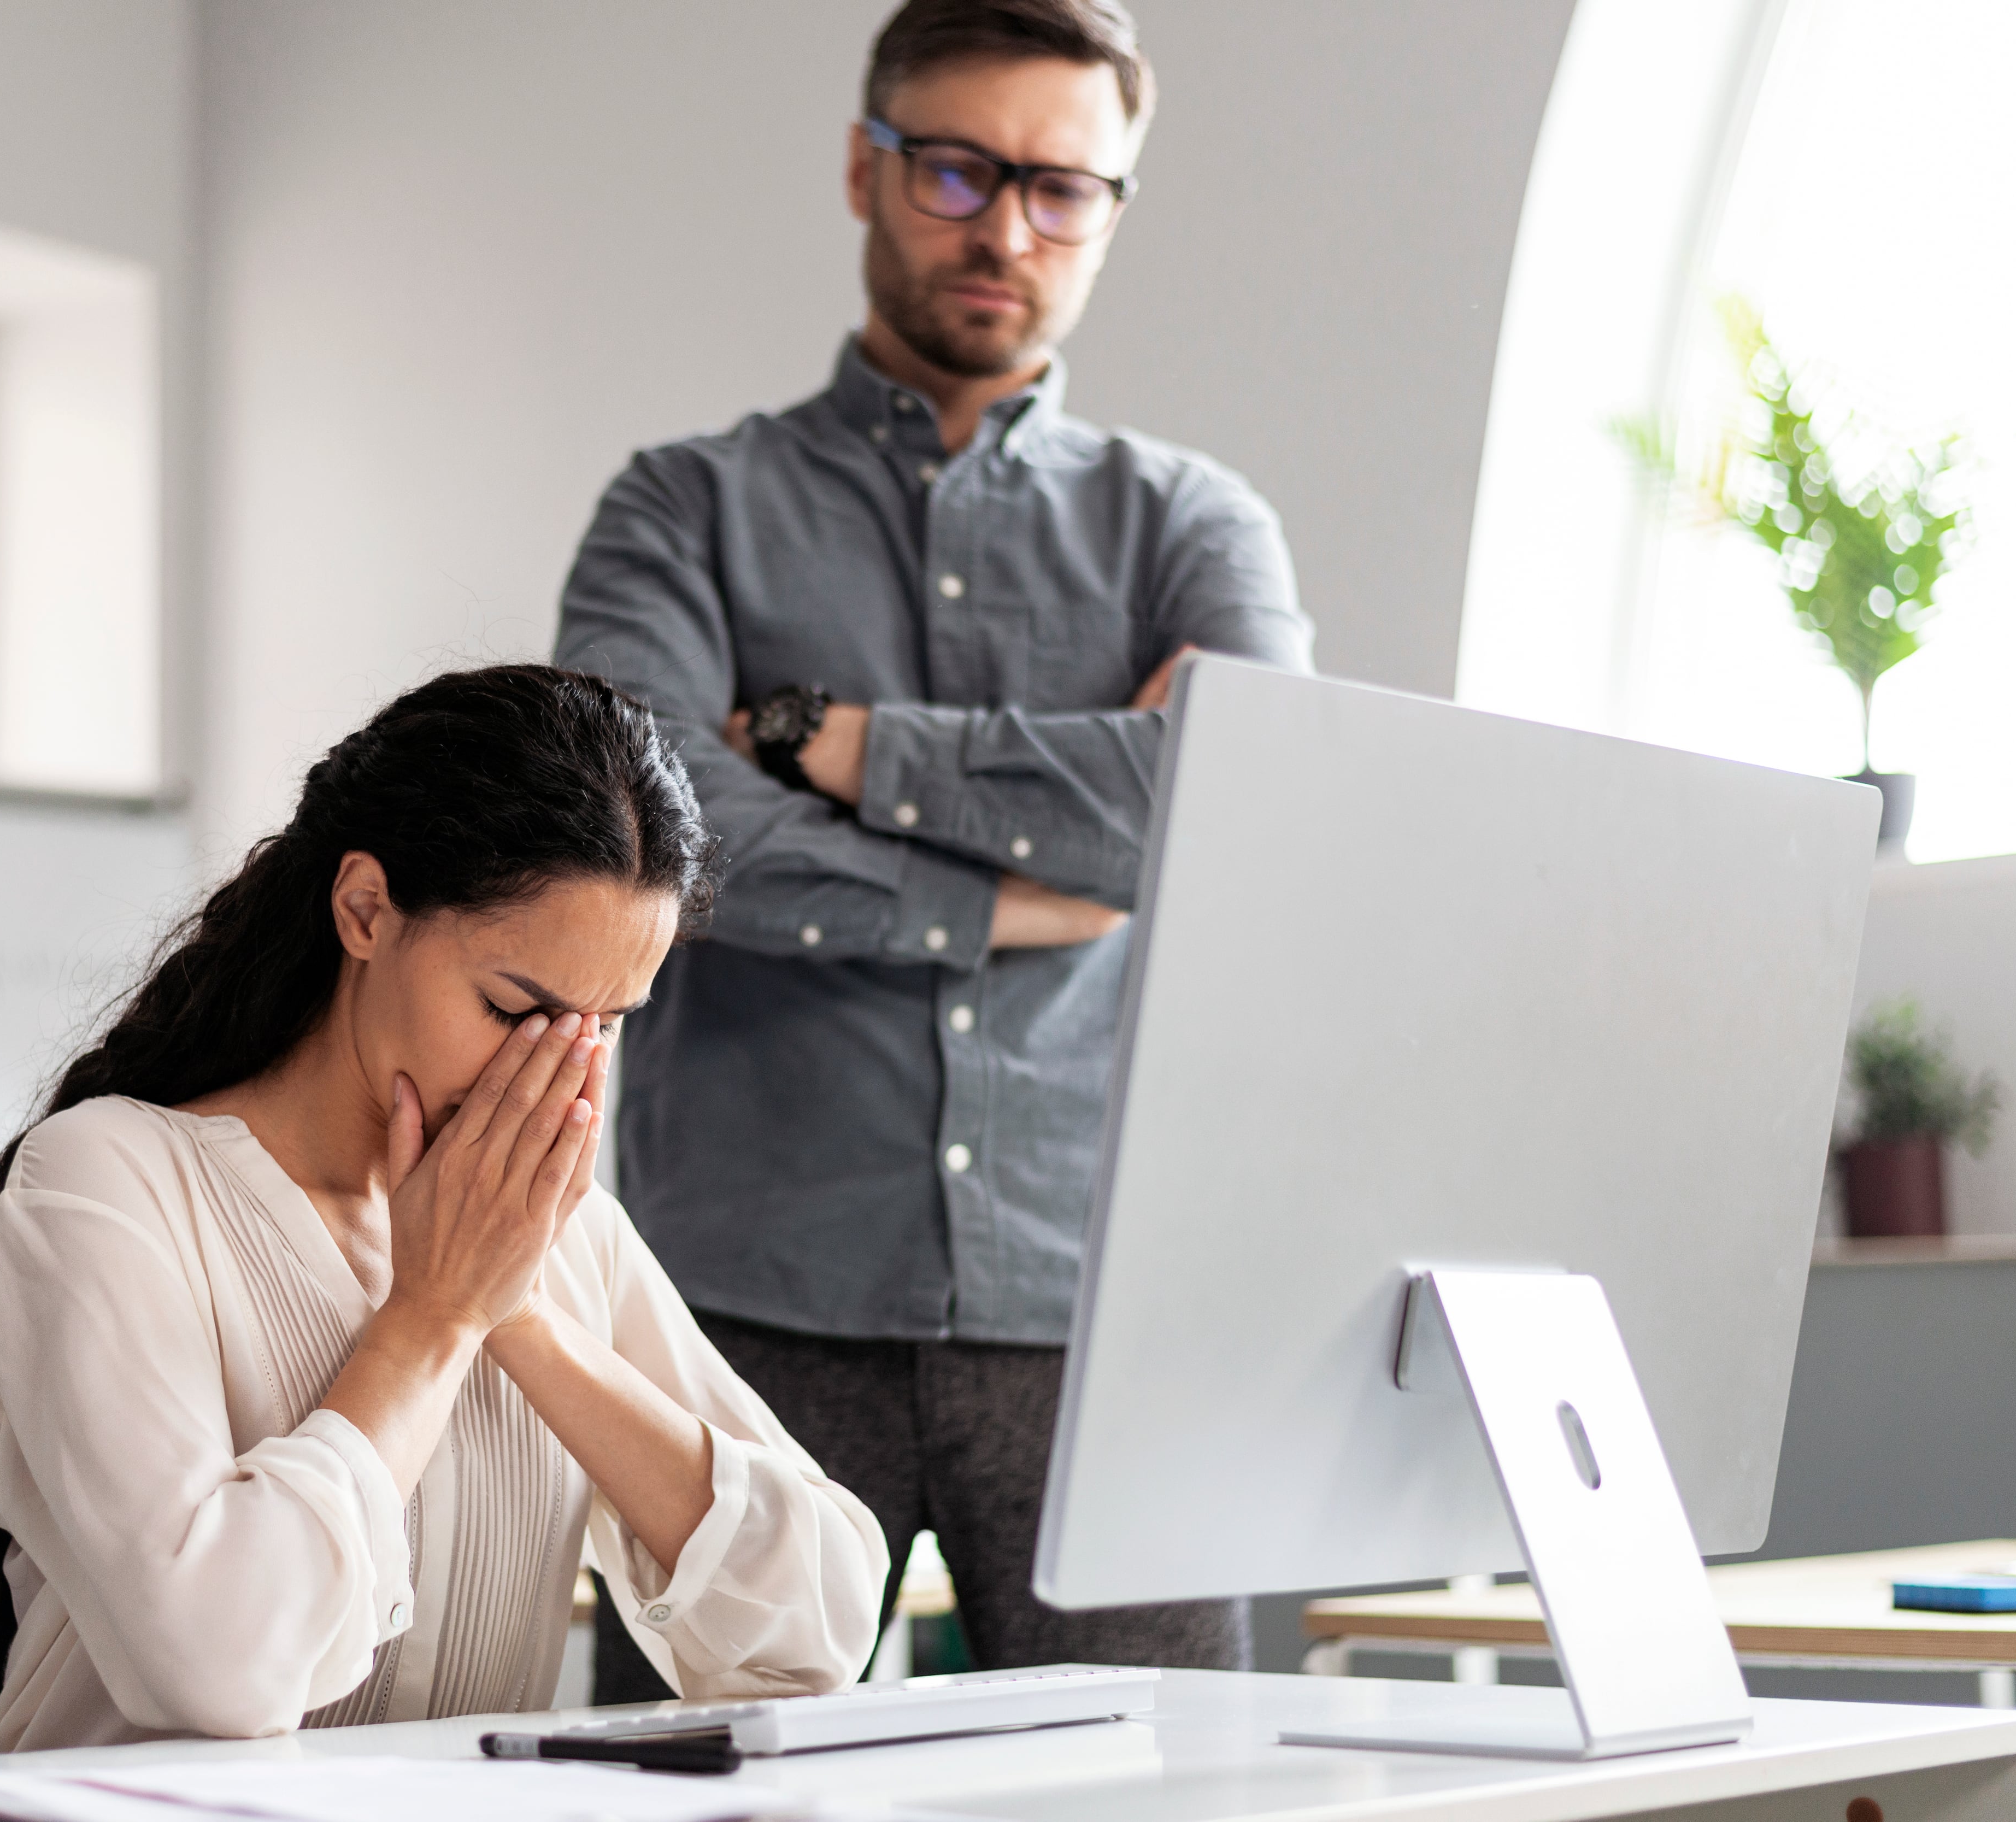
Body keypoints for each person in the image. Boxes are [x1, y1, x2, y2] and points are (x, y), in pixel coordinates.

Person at [554, 0, 1313, 1696]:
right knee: (700, 1805)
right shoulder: (681, 510)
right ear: (863, 165)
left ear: (1116, 205)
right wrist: (1014, 898)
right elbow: (641, 837)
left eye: (1064, 189)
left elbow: (1251, 817)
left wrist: (835, 741)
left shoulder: (1195, 526)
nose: (1005, 228)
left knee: (1183, 1806)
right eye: (958, 169)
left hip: (1104, 1317)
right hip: (745, 1313)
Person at [0, 665, 889, 1753]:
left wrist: (522, 1320)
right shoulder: (105, 1183)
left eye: (605, 1025)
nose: (560, 1076)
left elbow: (819, 1630)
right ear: (364, 909)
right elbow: (216, 1664)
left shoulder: (556, 1230)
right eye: (518, 1008)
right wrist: (435, 1316)